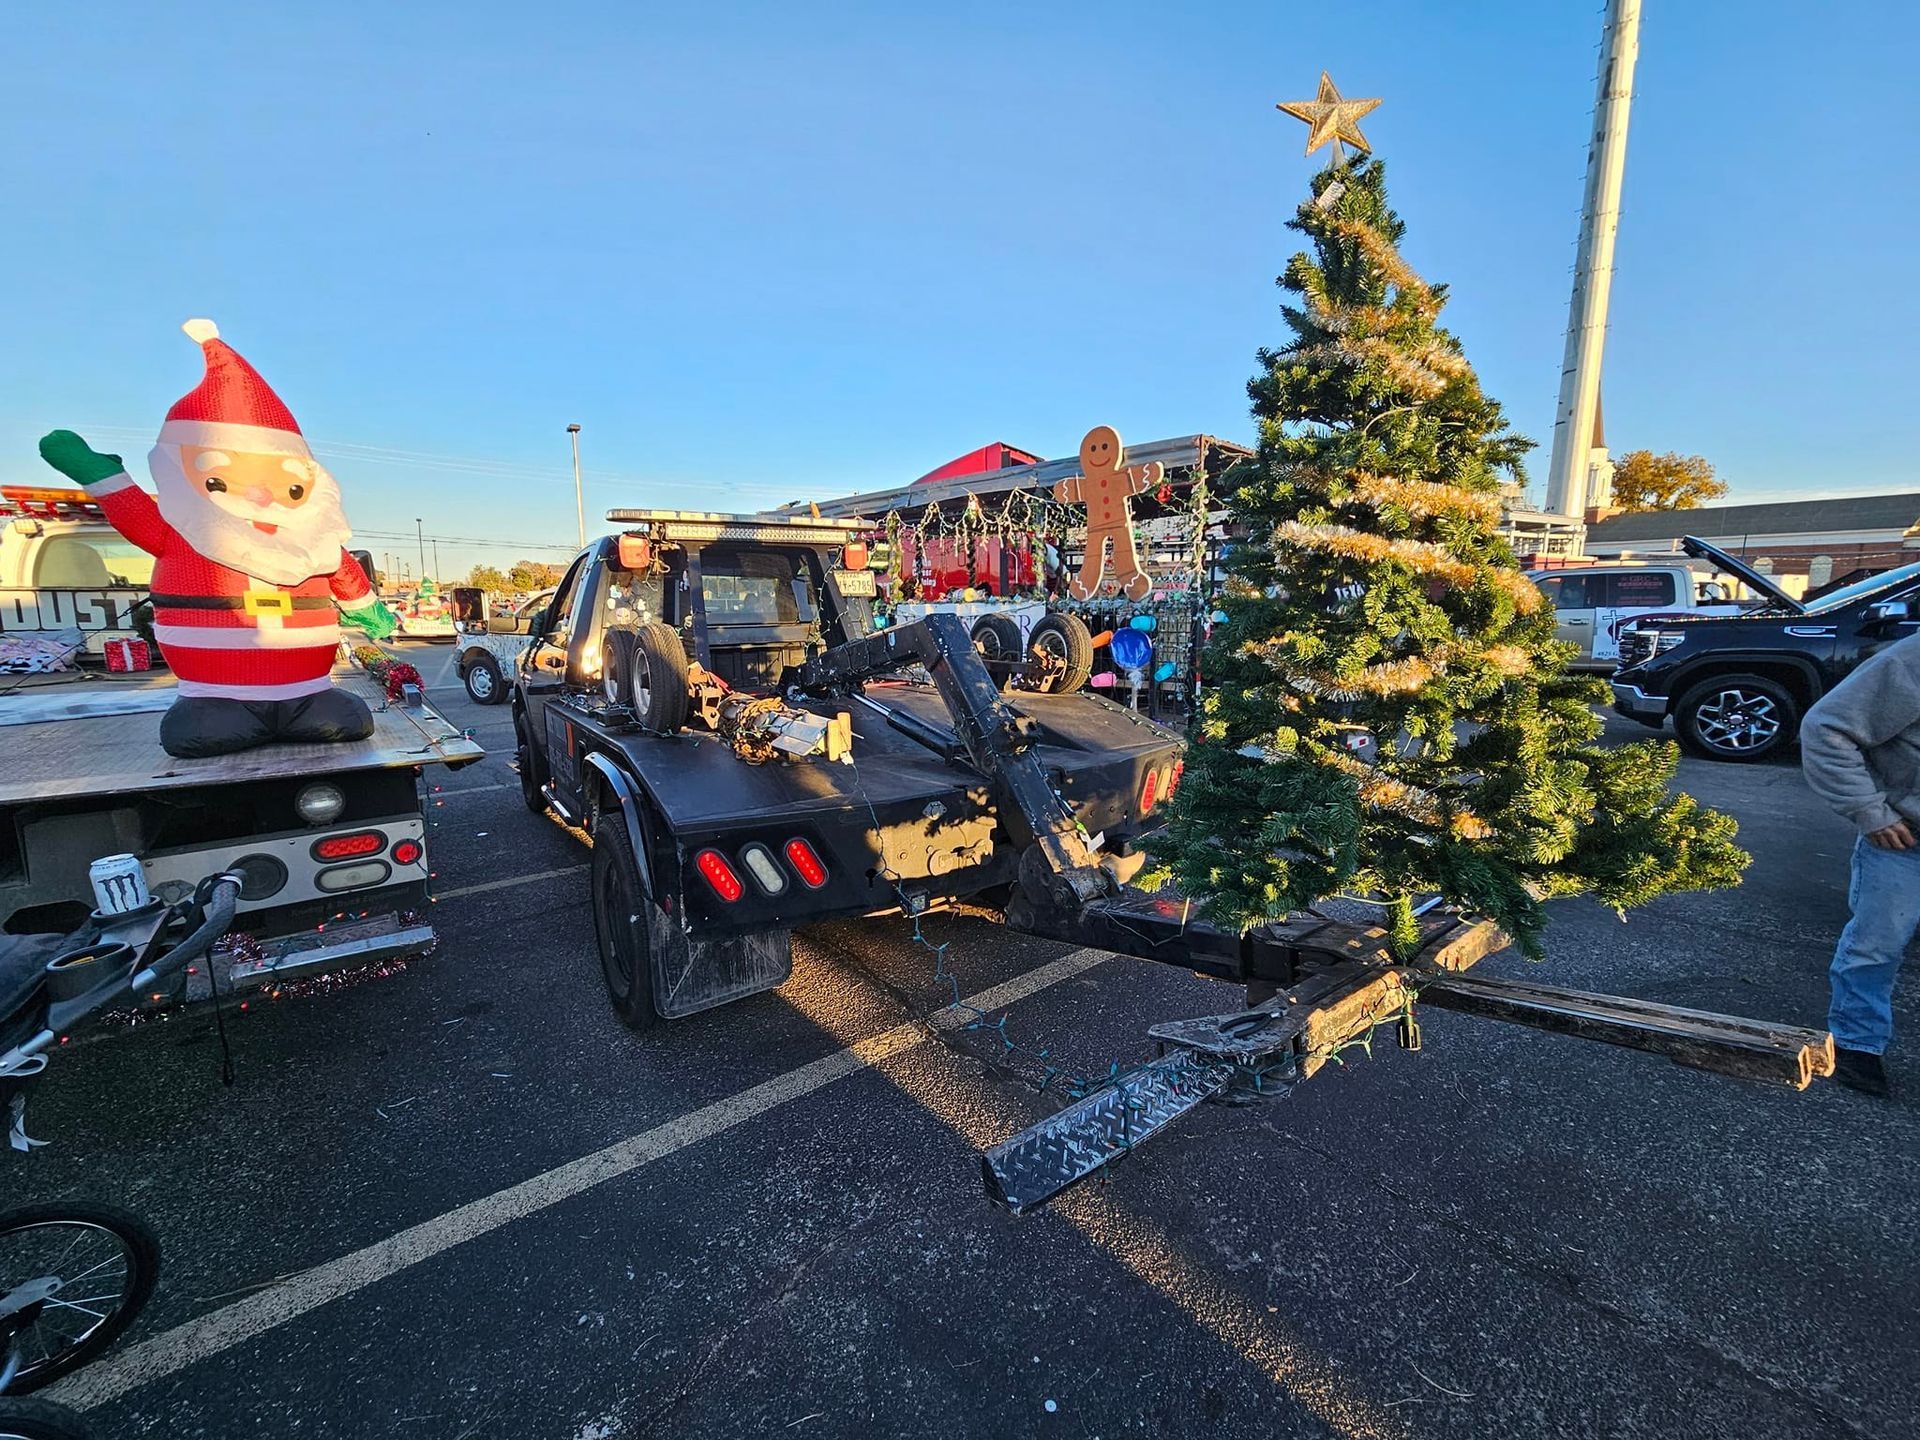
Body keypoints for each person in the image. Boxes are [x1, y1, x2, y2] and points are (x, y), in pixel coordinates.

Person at [1801, 630, 1920, 1097]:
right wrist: (1869, 810)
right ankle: (1857, 1045)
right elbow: (1827, 726)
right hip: (1905, 842)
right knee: (1877, 945)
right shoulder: (1911, 661)